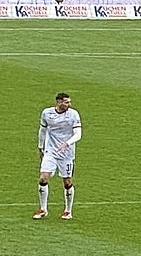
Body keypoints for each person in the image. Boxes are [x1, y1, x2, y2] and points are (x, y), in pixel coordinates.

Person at [34, 91, 81, 221]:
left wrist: (67, 143)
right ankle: (43, 209)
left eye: (69, 102)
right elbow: (42, 130)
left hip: (67, 153)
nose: (69, 104)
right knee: (43, 178)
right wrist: (40, 147)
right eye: (66, 102)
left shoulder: (73, 114)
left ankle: (68, 210)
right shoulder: (47, 113)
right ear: (59, 102)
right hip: (51, 151)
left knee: (67, 182)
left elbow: (78, 134)